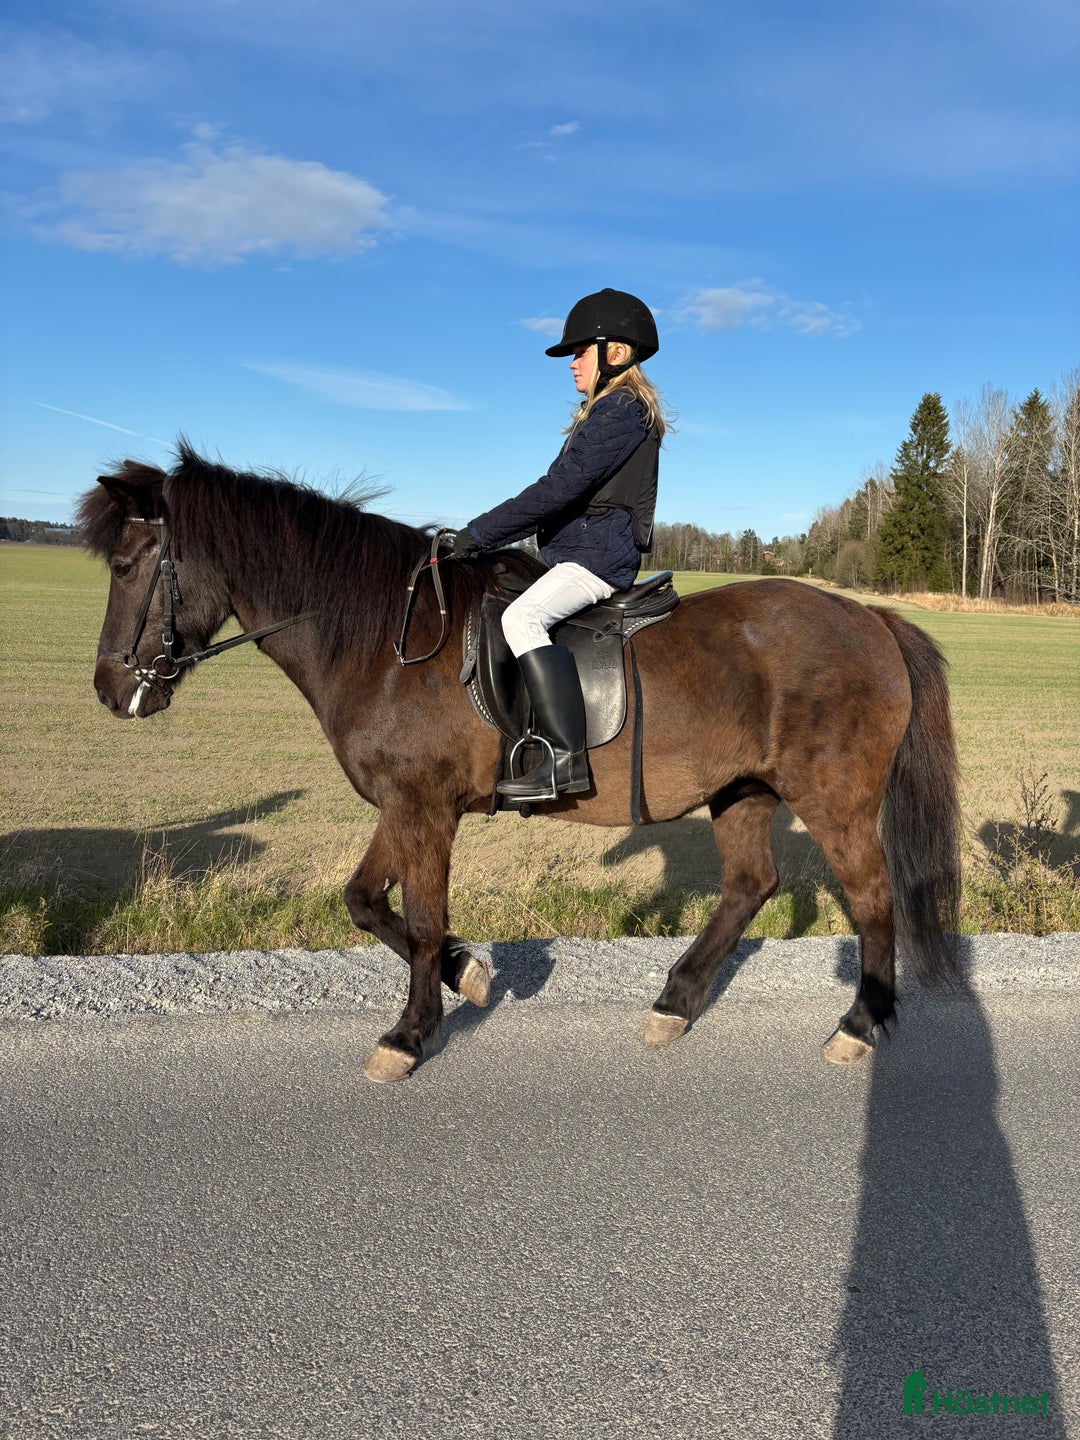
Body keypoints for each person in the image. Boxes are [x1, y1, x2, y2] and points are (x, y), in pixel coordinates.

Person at [452, 288, 666, 803]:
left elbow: (557, 490)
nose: (571, 364)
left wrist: (475, 535)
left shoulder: (620, 410)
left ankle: (564, 761)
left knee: (520, 620)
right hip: (582, 551)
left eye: (579, 352)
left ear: (615, 353)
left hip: (597, 559)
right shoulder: (611, 410)